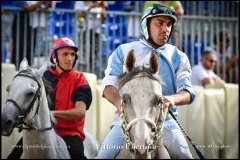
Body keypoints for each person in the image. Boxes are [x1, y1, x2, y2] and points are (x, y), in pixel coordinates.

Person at [96, 3, 195, 159]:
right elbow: (108, 85)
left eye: (169, 24)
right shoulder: (122, 51)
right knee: (103, 156)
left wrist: (172, 99)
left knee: (186, 156)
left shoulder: (180, 57)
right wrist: (119, 105)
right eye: (160, 23)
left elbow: (188, 92)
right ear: (146, 25)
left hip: (166, 122)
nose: (166, 29)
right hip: (126, 121)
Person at [7, 37, 92, 159]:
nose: (70, 58)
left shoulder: (80, 79)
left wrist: (53, 113)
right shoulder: (44, 77)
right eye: (65, 54)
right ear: (54, 57)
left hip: (69, 135)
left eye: (72, 54)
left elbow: (80, 112)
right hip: (40, 131)